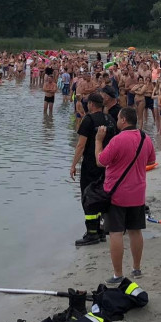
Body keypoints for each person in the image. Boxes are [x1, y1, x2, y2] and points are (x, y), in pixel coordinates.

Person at [95, 107, 156, 284]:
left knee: (115, 232)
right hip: (137, 192)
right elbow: (151, 160)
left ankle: (118, 274)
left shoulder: (117, 140)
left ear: (123, 120)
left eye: (118, 118)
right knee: (135, 230)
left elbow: (100, 161)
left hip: (116, 193)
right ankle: (136, 268)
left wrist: (98, 140)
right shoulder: (145, 138)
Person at [70, 93, 116, 247]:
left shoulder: (88, 120)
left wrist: (73, 165)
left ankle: (92, 233)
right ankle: (100, 229)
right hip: (106, 165)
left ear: (90, 104)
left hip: (90, 164)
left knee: (88, 197)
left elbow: (81, 145)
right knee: (102, 196)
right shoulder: (109, 119)